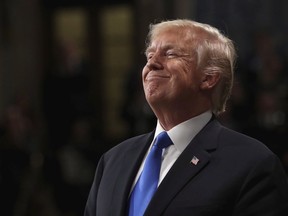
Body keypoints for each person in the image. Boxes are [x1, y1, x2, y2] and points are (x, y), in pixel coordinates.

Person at [84, 19, 288, 216]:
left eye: (170, 54)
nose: (152, 64)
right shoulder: (113, 160)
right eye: (149, 56)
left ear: (208, 78)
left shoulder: (252, 164)